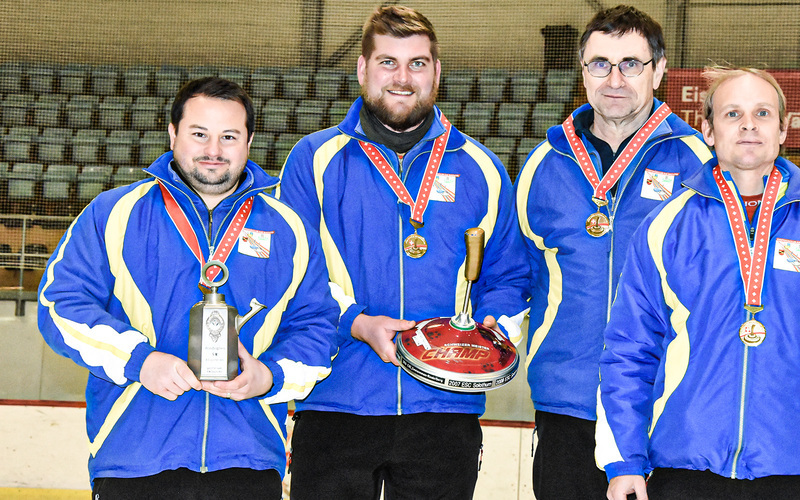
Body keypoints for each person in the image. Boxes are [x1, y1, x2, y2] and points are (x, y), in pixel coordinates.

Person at [596, 65, 800, 500]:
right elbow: (629, 349)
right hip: (684, 467)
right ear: (707, 129)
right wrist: (623, 458)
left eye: (762, 113)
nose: (748, 125)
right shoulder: (665, 226)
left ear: (782, 130)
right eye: (732, 113)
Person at [36, 77, 343, 499]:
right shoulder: (113, 213)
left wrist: (268, 376)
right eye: (199, 134)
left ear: (249, 140)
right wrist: (139, 361)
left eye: (229, 136)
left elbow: (319, 327)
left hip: (248, 460)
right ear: (173, 133)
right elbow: (59, 305)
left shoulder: (289, 228)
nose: (213, 150)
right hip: (134, 459)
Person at [277, 6, 529, 499]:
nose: (402, 78)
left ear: (436, 72)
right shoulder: (314, 160)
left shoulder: (482, 167)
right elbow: (292, 276)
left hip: (443, 408)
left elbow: (509, 274)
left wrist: (493, 326)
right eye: (388, 62)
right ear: (362, 69)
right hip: (334, 398)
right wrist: (356, 323)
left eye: (417, 64)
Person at [513, 5, 712, 499]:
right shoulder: (543, 163)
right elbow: (518, 273)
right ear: (583, 73)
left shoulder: (699, 165)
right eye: (600, 63)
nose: (615, 78)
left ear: (660, 70)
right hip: (566, 406)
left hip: (667, 407)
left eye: (631, 63)